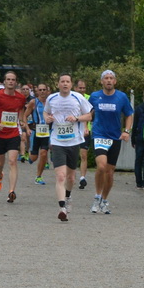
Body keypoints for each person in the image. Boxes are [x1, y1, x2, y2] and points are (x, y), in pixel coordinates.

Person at [44, 73, 90, 221]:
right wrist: (47, 118)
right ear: (58, 84)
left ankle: (68, 196)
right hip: (57, 141)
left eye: (67, 82)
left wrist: (76, 118)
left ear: (71, 84)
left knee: (71, 177)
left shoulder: (78, 97)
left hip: (73, 141)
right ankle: (62, 207)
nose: (65, 84)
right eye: (62, 81)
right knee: (60, 176)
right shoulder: (51, 98)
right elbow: (46, 112)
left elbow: (89, 115)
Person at [87, 69, 133, 213]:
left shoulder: (121, 97)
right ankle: (97, 197)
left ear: (115, 81)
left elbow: (129, 115)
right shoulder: (95, 96)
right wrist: (84, 127)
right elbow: (87, 113)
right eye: (106, 78)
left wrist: (126, 131)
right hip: (99, 135)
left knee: (110, 172)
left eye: (111, 78)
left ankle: (104, 200)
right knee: (101, 166)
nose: (108, 80)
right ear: (101, 81)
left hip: (114, 137)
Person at [0, 71, 28, 202]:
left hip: (14, 133)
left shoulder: (20, 97)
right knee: (0, 162)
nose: (10, 81)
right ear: (4, 82)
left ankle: (11, 191)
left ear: (16, 82)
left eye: (13, 80)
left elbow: (20, 110)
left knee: (12, 161)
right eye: (8, 79)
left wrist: (21, 120)